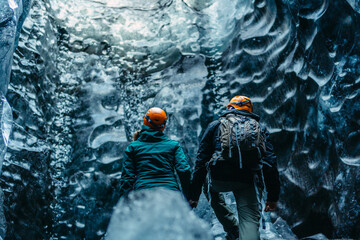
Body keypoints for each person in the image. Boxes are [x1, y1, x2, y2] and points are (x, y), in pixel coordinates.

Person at [189, 96, 280, 240]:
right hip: (248, 180)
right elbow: (270, 164)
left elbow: (201, 162)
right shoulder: (259, 128)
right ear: (249, 110)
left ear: (229, 108)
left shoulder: (215, 125)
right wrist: (272, 197)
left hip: (219, 178)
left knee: (207, 181)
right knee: (249, 221)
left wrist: (193, 196)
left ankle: (231, 226)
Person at [118, 107, 191, 200]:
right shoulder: (173, 146)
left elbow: (127, 178)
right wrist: (188, 197)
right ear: (164, 125)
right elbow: (184, 170)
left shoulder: (133, 147)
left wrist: (124, 202)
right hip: (171, 194)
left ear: (145, 121)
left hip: (143, 193)